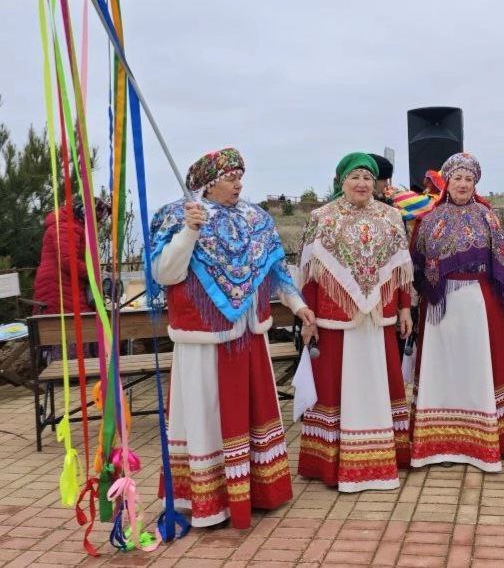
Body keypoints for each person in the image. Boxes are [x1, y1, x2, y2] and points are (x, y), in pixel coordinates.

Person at [150, 147, 314, 528]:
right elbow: (164, 273)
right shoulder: (177, 216)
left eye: (241, 176)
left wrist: (299, 304)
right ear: (208, 183)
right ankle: (211, 501)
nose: (239, 183)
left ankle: (257, 492)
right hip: (204, 340)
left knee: (251, 414)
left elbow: (275, 272)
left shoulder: (255, 219)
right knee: (206, 416)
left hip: (248, 337)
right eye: (230, 177)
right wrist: (190, 231)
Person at [409, 152, 504, 472]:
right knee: (444, 370)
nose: (463, 184)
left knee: (476, 369)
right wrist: (408, 310)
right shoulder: (430, 220)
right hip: (441, 309)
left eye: (469, 179)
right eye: (457, 178)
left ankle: (480, 443)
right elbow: (414, 267)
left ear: (475, 183)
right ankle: (439, 444)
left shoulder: (488, 217)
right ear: (446, 182)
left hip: (480, 304)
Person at [296, 152, 414, 492]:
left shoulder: (391, 217)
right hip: (334, 317)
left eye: (367, 178)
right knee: (337, 385)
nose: (362, 184)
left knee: (377, 381)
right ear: (341, 181)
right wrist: (309, 316)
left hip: (378, 315)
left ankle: (379, 457)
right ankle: (333, 462)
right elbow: (310, 275)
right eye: (354, 177)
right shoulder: (322, 218)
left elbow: (401, 270)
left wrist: (405, 308)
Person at [33, 196, 110, 315]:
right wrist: (93, 273)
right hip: (59, 286)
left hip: (64, 283)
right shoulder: (67, 227)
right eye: (96, 220)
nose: (97, 224)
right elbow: (68, 261)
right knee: (80, 322)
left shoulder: (71, 225)